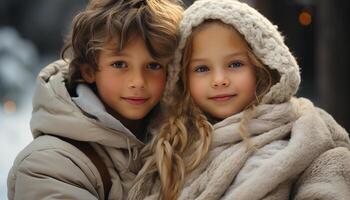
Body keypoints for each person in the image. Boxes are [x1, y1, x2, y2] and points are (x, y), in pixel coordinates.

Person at [128, 0, 350, 199]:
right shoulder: (170, 141)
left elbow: (328, 177)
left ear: (260, 67)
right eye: (202, 68)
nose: (220, 80)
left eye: (235, 64)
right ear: (181, 79)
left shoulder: (304, 128)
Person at [7, 0, 183, 199]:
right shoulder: (49, 163)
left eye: (153, 66)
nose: (138, 82)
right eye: (119, 64)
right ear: (89, 70)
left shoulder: (186, 145)